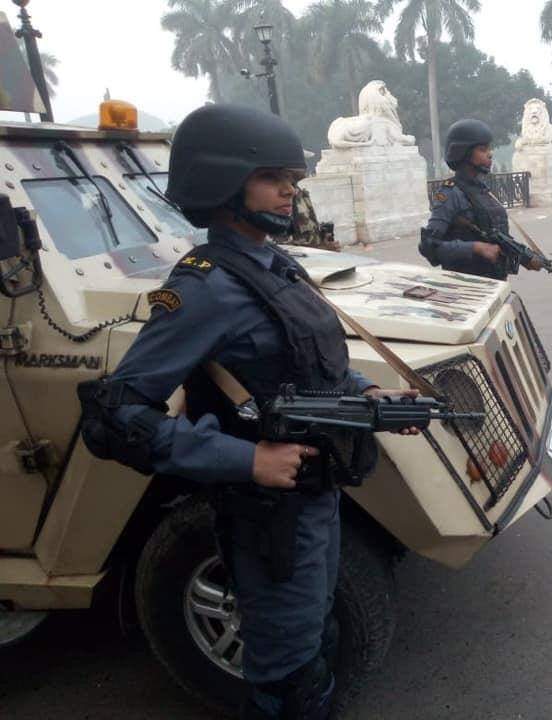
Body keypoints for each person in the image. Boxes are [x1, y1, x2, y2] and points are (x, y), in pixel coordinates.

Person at [78, 104, 417, 720]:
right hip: (268, 521)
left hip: (317, 498)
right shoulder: (206, 288)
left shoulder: (275, 264)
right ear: (223, 185)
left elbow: (313, 364)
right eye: (273, 178)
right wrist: (247, 458)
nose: (291, 190)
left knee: (318, 645)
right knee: (287, 679)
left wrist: (366, 393)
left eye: (291, 176)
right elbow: (116, 415)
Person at [419, 118, 542, 280]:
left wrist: (525, 258)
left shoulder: (483, 191)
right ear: (463, 152)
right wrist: (475, 248)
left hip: (495, 283)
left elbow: (499, 237)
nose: (490, 154)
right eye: (483, 150)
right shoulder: (450, 194)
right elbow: (429, 246)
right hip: (467, 288)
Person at [289, 186, 341, 251]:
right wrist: (324, 249)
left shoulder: (299, 192)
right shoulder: (285, 195)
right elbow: (283, 249)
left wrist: (322, 240)